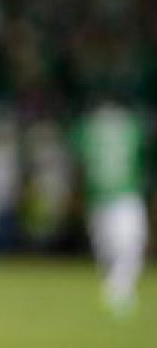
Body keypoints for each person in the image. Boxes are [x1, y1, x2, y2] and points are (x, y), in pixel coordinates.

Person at [73, 100, 148, 318]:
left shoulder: (88, 129)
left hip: (103, 195)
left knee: (114, 247)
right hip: (121, 194)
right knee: (127, 245)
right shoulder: (131, 127)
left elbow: (79, 163)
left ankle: (117, 288)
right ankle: (117, 289)